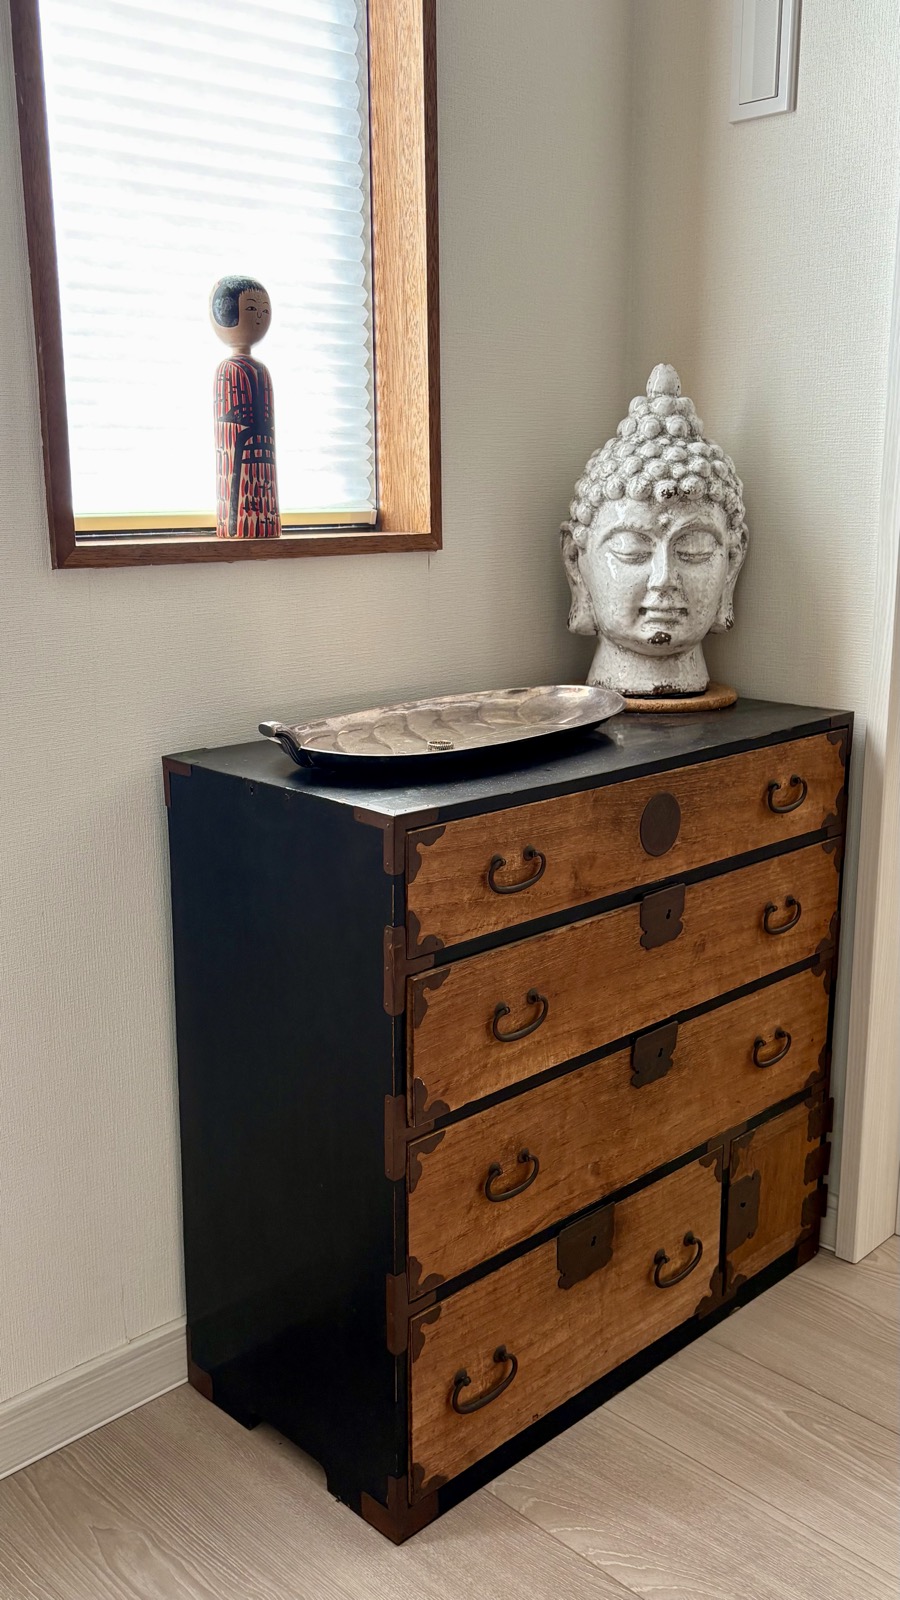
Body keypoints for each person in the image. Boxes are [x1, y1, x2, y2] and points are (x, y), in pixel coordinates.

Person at [210, 276, 281, 539]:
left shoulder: (263, 370)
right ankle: (235, 524)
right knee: (238, 477)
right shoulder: (227, 369)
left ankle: (265, 521)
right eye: (251, 309)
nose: (259, 316)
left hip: (259, 440)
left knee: (264, 476)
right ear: (226, 314)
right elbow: (226, 420)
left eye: (264, 310)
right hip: (238, 442)